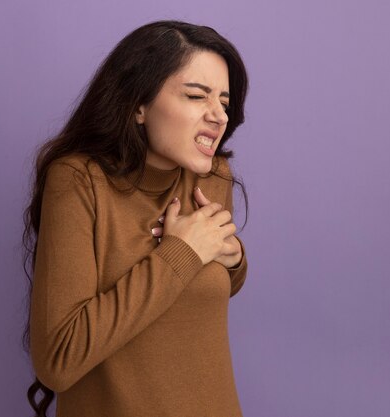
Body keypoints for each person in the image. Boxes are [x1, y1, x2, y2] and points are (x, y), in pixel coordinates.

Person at [22, 20, 249, 417]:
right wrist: (182, 252)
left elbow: (203, 295)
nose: (219, 116)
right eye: (197, 96)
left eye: (224, 103)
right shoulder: (78, 181)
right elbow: (59, 359)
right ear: (139, 105)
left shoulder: (212, 178)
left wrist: (234, 259)